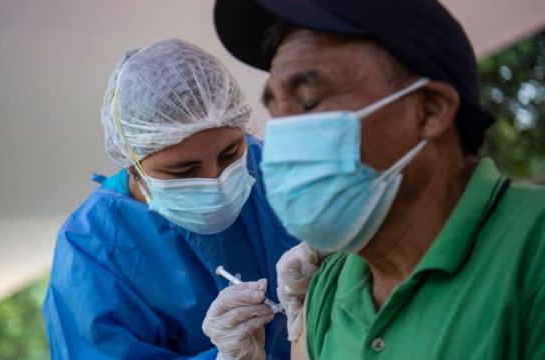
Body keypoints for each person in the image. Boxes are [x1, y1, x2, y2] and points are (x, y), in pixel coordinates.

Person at [213, 0, 545, 359]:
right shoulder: (329, 284)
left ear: (430, 109)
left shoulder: (532, 251)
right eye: (275, 110)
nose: (282, 134)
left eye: (309, 100)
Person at [42, 38, 297, 359]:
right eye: (183, 171)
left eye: (230, 153)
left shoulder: (279, 170)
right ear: (132, 166)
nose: (215, 181)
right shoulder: (91, 250)